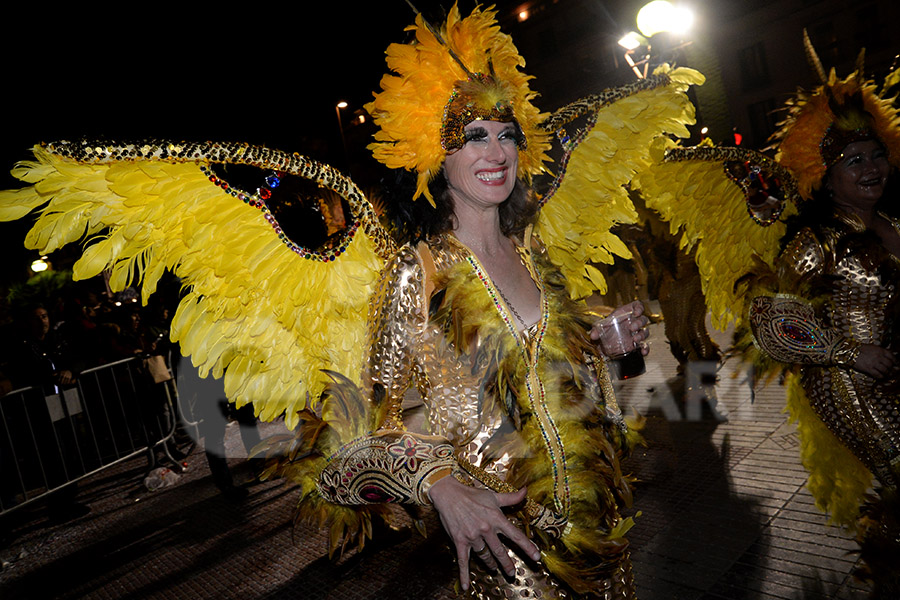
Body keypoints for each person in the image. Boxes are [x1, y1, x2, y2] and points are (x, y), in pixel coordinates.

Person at [305, 6, 659, 598]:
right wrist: (441, 485)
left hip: (597, 534)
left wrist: (594, 341)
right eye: (472, 137)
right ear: (435, 158)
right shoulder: (417, 273)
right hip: (504, 550)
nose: (495, 153)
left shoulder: (532, 251)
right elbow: (352, 444)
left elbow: (548, 380)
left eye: (506, 136)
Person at [748, 65, 899, 597]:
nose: (871, 167)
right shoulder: (816, 241)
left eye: (876, 154)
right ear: (825, 176)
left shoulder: (894, 224)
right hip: (852, 382)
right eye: (853, 161)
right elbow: (770, 321)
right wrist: (848, 352)